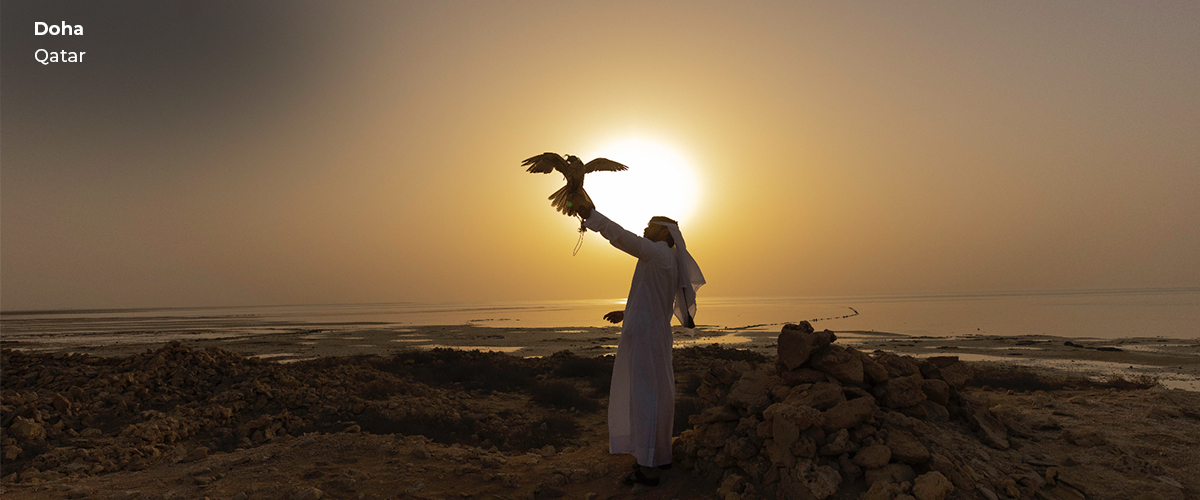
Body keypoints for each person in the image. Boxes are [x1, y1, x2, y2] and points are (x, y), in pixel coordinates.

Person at [574, 201, 705, 487]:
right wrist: (627, 311)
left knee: (644, 396)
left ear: (665, 234)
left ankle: (648, 469)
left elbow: (621, 237)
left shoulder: (657, 252)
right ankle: (659, 455)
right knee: (656, 394)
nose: (645, 228)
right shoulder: (665, 259)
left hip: (646, 335)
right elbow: (656, 298)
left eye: (651, 226)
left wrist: (591, 216)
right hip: (653, 332)